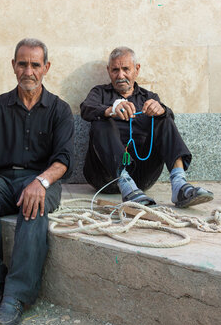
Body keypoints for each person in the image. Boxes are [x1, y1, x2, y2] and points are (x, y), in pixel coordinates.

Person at [0, 38, 74, 325]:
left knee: (33, 205)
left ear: (46, 68)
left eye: (35, 64)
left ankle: (16, 296)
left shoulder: (59, 110)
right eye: (22, 63)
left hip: (41, 180)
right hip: (2, 179)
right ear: (13, 66)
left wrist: (41, 181)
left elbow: (62, 160)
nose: (28, 71)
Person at [80, 46, 213, 208]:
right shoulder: (100, 93)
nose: (120, 75)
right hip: (104, 176)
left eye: (126, 69)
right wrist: (110, 110)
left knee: (164, 117)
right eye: (115, 70)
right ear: (108, 71)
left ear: (137, 69)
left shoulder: (149, 97)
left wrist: (162, 110)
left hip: (142, 176)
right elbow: (86, 108)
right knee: (101, 119)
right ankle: (126, 185)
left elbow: (168, 119)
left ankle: (179, 185)